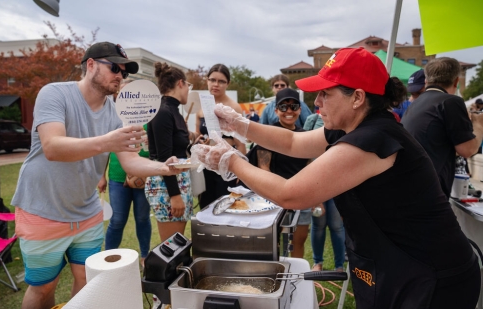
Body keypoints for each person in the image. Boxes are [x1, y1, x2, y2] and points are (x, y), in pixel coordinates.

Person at [192, 47, 481, 309]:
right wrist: (243, 126)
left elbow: (291, 194)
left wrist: (230, 161)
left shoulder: (372, 139)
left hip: (431, 275)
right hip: (397, 264)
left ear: (357, 97)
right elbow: (294, 143)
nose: (316, 102)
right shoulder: (352, 127)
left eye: (325, 93)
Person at [11, 42, 182, 309]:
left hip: (86, 213)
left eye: (124, 72)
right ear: (90, 65)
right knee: (43, 288)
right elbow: (52, 147)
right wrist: (107, 141)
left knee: (87, 280)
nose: (120, 76)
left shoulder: (115, 114)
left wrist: (164, 168)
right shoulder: (54, 94)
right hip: (42, 210)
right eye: (114, 67)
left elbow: (130, 162)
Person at [401, 58, 483, 199]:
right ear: (456, 81)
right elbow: (467, 150)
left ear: (426, 81)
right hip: (429, 192)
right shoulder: (451, 101)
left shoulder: (415, 103)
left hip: (410, 186)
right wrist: (479, 124)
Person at [248, 88, 311, 258]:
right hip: (274, 198)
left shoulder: (306, 136)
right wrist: (279, 195)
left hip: (302, 196)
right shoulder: (268, 135)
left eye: (293, 106)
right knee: (274, 243)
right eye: (283, 107)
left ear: (300, 109)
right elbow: (264, 169)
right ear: (275, 110)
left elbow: (310, 167)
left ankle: (297, 278)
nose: (288, 111)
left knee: (299, 240)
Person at [97, 81, 151, 267]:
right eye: (124, 92)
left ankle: (145, 256)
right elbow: (104, 149)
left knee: (143, 218)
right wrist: (102, 176)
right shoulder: (112, 117)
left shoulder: (148, 116)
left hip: (142, 177)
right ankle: (108, 259)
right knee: (117, 220)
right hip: (117, 177)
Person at [146, 62, 194, 241]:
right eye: (188, 86)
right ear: (180, 83)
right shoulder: (163, 111)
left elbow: (178, 147)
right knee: (171, 247)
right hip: (167, 185)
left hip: (177, 181)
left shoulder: (173, 110)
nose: (189, 90)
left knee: (177, 245)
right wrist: (175, 195)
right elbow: (164, 157)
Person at [195, 64, 246, 209]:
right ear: (207, 80)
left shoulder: (233, 107)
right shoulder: (201, 107)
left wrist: (241, 172)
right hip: (205, 165)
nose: (216, 84)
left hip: (227, 164)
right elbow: (197, 135)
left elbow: (241, 143)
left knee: (225, 207)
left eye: (221, 81)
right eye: (212, 80)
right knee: (205, 207)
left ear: (228, 83)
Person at [303, 112, 346, 273]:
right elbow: (305, 156)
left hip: (337, 183)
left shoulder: (343, 120)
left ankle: (339, 266)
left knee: (336, 225)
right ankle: (317, 263)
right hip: (316, 182)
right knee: (318, 225)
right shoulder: (312, 120)